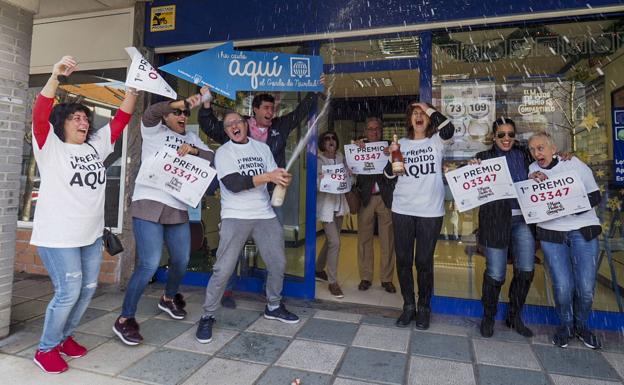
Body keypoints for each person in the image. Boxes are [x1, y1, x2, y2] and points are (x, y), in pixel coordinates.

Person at [30, 56, 138, 373]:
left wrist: (133, 89)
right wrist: (54, 76)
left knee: (88, 289)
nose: (84, 122)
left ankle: (64, 338)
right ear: (61, 122)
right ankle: (46, 348)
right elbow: (39, 114)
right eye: (76, 118)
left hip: (90, 236)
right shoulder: (49, 145)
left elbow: (120, 121)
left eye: (85, 118)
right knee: (68, 292)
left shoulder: (94, 147)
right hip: (58, 236)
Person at [197, 87, 320, 307]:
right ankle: (226, 292)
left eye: (272, 108)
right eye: (265, 108)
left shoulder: (278, 128)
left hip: (270, 201)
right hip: (237, 209)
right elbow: (210, 126)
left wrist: (313, 87)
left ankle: (272, 298)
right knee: (229, 257)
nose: (270, 112)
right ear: (253, 111)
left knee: (276, 256)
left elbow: (301, 112)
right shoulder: (236, 131)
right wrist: (206, 104)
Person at [113, 92, 214, 346]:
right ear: (167, 115)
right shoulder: (153, 131)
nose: (182, 116)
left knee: (182, 260)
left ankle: (168, 298)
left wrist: (193, 150)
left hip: (178, 207)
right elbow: (150, 113)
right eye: (177, 112)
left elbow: (214, 158)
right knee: (149, 264)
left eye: (184, 114)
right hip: (148, 202)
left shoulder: (191, 137)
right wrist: (182, 102)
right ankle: (125, 319)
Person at [195, 111, 299, 344]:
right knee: (223, 269)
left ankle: (273, 305)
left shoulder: (262, 149)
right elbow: (234, 184)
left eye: (237, 122)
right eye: (228, 124)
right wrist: (268, 176)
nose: (233, 126)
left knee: (278, 263)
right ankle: (207, 315)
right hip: (235, 216)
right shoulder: (223, 153)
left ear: (246, 124)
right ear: (226, 131)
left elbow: (273, 178)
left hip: (264, 214)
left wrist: (281, 179)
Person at [528, 132, 603, 349]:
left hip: (583, 231)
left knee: (586, 287)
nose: (536, 153)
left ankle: (582, 325)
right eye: (532, 149)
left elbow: (595, 196)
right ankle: (567, 325)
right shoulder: (532, 170)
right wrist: (533, 185)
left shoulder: (574, 164)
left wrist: (569, 206)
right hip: (552, 233)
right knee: (562, 286)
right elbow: (535, 205)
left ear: (553, 148)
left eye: (540, 148)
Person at [384, 102, 454, 329]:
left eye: (422, 113)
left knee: (423, 261)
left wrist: (428, 107)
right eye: (415, 113)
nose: (419, 116)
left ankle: (424, 307)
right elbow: (388, 175)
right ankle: (408, 306)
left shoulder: (436, 142)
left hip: (430, 211)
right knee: (403, 260)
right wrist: (391, 158)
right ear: (409, 120)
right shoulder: (400, 144)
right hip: (402, 209)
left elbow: (448, 129)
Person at [472, 118, 536, 338]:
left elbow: (547, 164)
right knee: (496, 273)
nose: (506, 138)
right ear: (494, 136)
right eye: (501, 135)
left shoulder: (525, 155)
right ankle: (488, 317)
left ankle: (513, 316)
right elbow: (472, 188)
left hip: (523, 220)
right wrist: (471, 170)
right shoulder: (482, 158)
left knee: (526, 270)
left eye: (510, 134)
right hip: (495, 221)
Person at [353, 117, 396, 293]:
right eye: (370, 129)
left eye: (377, 129)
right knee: (364, 240)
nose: (374, 132)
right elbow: (351, 167)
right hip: (366, 198)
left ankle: (386, 279)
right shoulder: (358, 146)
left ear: (381, 130)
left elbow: (397, 167)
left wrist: (391, 154)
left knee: (388, 240)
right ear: (365, 131)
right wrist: (355, 147)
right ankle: (366, 277)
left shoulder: (389, 147)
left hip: (385, 198)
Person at [316, 131, 350, 298]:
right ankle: (333, 281)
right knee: (335, 242)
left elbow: (347, 182)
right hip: (326, 207)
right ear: (322, 142)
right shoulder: (318, 160)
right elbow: (315, 184)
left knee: (331, 240)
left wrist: (350, 175)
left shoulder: (341, 157)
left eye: (333, 138)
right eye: (327, 139)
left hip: (339, 206)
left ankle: (317, 268)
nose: (331, 141)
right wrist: (321, 179)